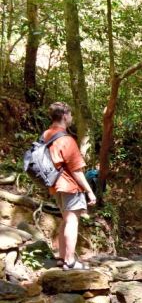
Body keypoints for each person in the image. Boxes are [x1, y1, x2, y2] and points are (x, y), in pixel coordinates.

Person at [43, 102, 96, 270]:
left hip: (55, 185)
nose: (72, 118)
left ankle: (61, 258)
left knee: (65, 221)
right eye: (71, 115)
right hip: (69, 185)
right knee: (72, 221)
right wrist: (90, 192)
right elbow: (77, 171)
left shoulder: (46, 135)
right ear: (65, 116)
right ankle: (70, 261)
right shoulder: (66, 139)